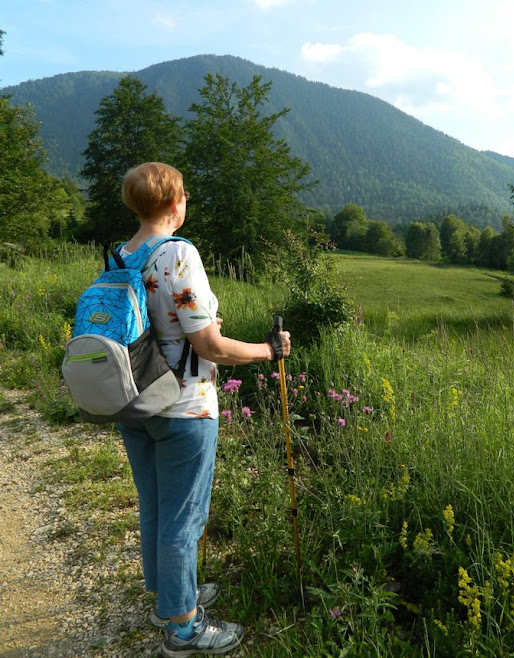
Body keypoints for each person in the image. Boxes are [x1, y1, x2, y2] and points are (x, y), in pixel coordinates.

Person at [114, 162, 291, 656]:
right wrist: (268, 350)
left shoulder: (121, 254)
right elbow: (209, 346)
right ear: (174, 204)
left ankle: (168, 600)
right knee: (183, 519)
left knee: (154, 505)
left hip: (134, 400)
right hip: (183, 406)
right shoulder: (179, 254)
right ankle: (184, 629)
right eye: (185, 194)